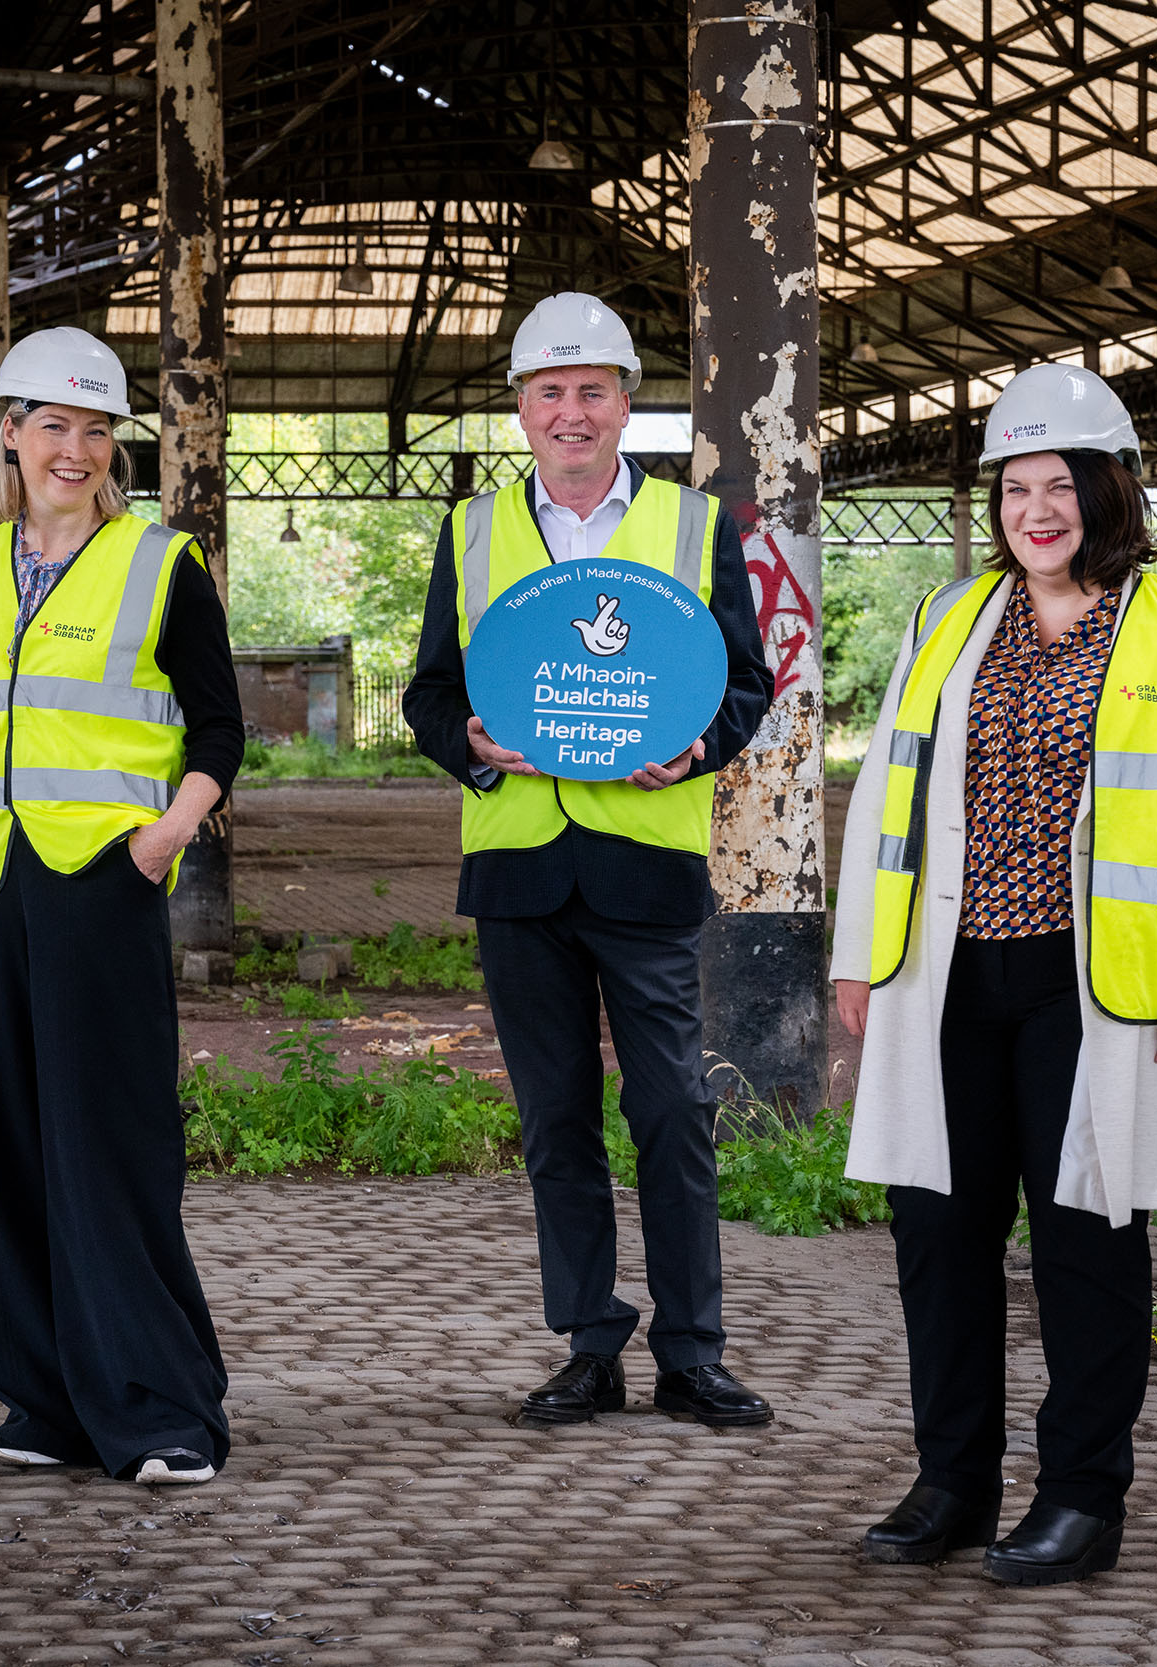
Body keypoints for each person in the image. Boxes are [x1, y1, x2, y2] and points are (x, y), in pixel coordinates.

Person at [829, 364, 1157, 1583]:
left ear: (1111, 492)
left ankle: (1080, 1496)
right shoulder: (947, 616)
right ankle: (951, 1481)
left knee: (1085, 1240)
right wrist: (862, 951)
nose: (1036, 509)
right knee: (939, 1237)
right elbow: (887, 789)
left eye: (1060, 483)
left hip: (1093, 986)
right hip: (946, 976)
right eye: (1016, 486)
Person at [403, 292, 778, 1428]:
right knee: (555, 1122)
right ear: (521, 409)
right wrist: (461, 742)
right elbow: (427, 691)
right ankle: (587, 1344)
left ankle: (692, 1353)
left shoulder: (690, 523)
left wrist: (697, 747)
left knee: (669, 1110)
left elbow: (746, 682)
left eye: (593, 390)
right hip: (519, 870)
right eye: (550, 392)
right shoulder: (471, 531)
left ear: (626, 404)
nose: (572, 412)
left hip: (645, 865)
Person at [0, 325, 244, 1487]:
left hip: (102, 878)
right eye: (53, 424)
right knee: (4, 1143)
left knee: (108, 1140)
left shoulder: (161, 561)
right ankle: (44, 1399)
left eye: (96, 429)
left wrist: (163, 837)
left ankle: (161, 1409)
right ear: (8, 432)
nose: (76, 448)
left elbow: (220, 729)